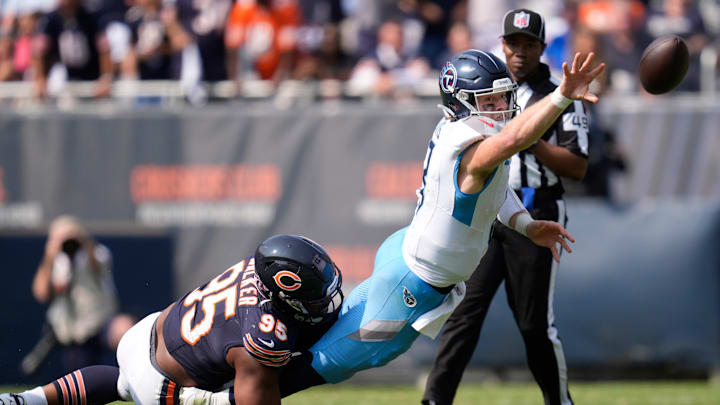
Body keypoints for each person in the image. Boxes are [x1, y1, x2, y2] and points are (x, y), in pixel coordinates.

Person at [179, 48, 604, 403]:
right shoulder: (476, 147)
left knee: (330, 338)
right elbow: (513, 142)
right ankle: (214, 393)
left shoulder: (468, 135)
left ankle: (230, 365)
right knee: (323, 364)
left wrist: (527, 226)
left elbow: (495, 190)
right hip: (410, 282)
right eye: (489, 101)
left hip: (411, 261)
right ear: (462, 102)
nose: (501, 108)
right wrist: (563, 96)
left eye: (502, 99)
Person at [422, 9, 594, 405]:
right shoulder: (490, 89)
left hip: (535, 209)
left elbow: (578, 165)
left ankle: (559, 401)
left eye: (528, 44)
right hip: (486, 212)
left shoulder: (562, 92)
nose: (519, 52)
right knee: (463, 315)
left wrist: (527, 138)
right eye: (513, 43)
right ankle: (434, 401)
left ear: (542, 48)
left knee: (534, 324)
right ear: (502, 44)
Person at [2, 234, 344, 405]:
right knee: (246, 391)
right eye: (314, 296)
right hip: (165, 387)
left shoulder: (257, 267)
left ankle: (26, 400)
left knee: (123, 382)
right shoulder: (263, 335)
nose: (324, 300)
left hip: (145, 334)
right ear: (281, 292)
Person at [21, 216, 135, 375]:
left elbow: (99, 266)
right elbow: (41, 294)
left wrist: (83, 241)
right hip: (71, 330)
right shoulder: (54, 261)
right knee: (80, 377)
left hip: (100, 322)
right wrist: (50, 256)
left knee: (125, 328)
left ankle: (134, 375)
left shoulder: (95, 253)